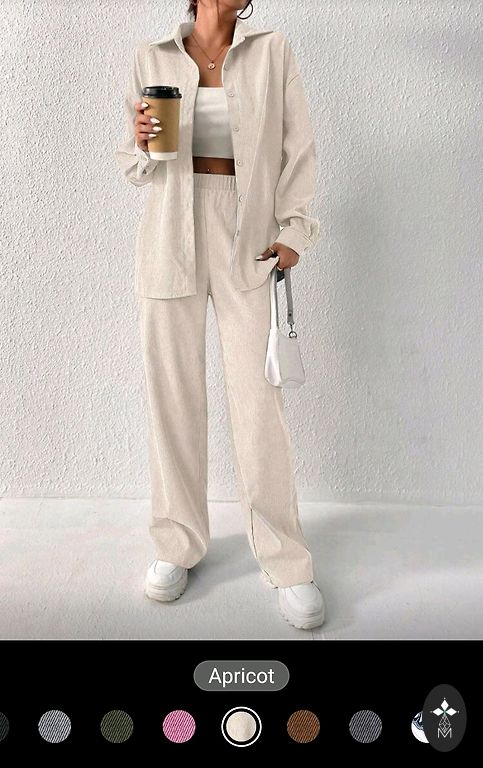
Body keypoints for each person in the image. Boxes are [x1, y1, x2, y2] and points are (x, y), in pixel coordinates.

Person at [115, 0, 325, 630]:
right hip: (169, 232)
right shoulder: (152, 57)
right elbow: (134, 166)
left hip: (248, 234)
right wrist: (143, 142)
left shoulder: (271, 51)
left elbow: (298, 146)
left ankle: (286, 559)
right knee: (173, 396)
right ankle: (176, 542)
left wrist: (294, 230)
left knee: (259, 402)